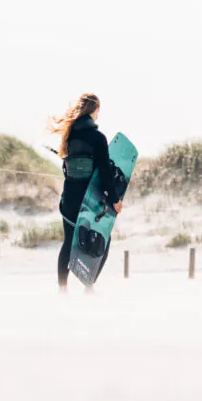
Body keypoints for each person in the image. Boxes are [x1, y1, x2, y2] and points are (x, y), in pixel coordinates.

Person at [48, 93, 122, 289]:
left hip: (69, 198)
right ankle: (89, 286)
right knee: (101, 240)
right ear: (95, 110)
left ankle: (62, 289)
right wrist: (115, 199)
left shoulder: (70, 137)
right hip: (88, 200)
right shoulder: (98, 138)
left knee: (68, 242)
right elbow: (105, 172)